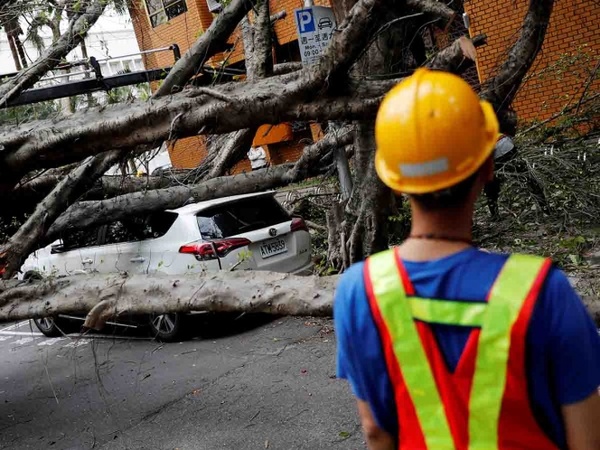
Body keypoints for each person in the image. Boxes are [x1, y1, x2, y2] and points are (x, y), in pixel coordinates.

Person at [334, 68, 600, 450]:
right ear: (488, 168)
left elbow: (376, 430)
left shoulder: (359, 291)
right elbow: (587, 440)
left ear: (393, 181)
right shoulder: (545, 292)